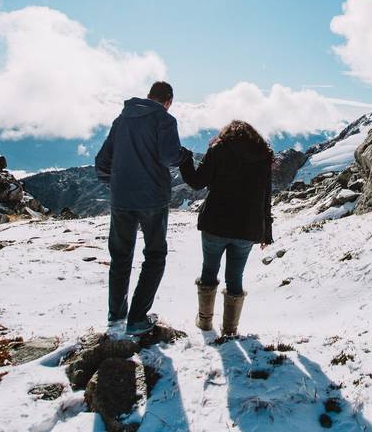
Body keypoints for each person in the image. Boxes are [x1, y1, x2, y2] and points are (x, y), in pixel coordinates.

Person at [95, 81, 188, 336]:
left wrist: (115, 183)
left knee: (120, 257)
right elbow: (169, 157)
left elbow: (102, 161)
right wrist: (183, 155)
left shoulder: (122, 119)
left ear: (149, 96)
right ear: (168, 101)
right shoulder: (165, 120)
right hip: (152, 200)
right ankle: (137, 319)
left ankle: (116, 317)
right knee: (155, 256)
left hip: (122, 200)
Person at [179, 120, 274, 336]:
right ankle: (230, 330)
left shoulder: (219, 149)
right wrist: (266, 232)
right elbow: (266, 197)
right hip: (247, 228)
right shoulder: (263, 156)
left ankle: (204, 322)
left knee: (209, 271)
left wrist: (185, 159)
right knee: (235, 277)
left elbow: (196, 182)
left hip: (215, 223)